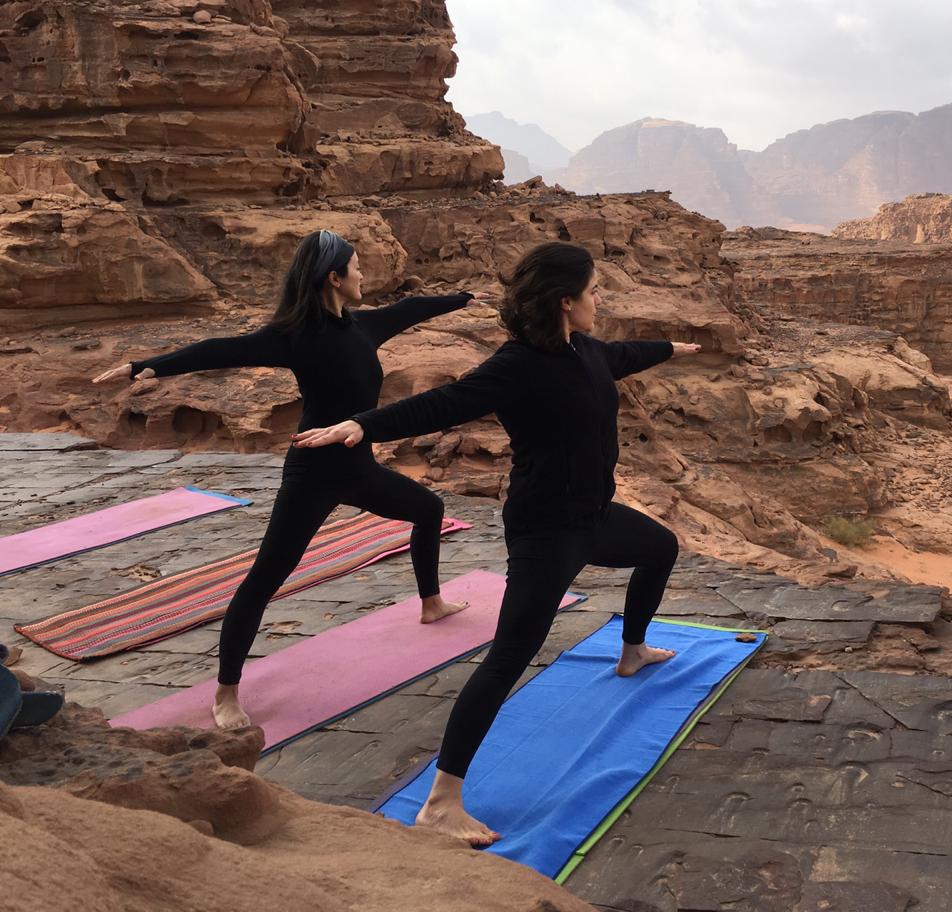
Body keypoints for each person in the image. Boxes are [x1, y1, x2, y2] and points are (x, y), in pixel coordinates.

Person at [294, 242, 700, 845]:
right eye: (592, 291)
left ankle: (632, 650)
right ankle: (441, 801)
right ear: (566, 301)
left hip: (592, 515)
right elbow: (444, 403)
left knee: (659, 547)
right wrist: (365, 424)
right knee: (509, 656)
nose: (599, 300)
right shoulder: (518, 366)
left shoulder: (583, 349)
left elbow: (621, 355)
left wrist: (673, 348)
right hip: (546, 532)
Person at [94, 230, 478, 729]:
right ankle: (226, 693)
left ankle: (431, 604)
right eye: (356, 268)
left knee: (428, 510)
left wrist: (466, 297)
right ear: (334, 278)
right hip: (313, 474)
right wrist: (147, 366)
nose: (364, 276)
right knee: (265, 580)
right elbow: (217, 349)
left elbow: (416, 307)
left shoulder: (365, 327)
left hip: (358, 468)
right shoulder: (294, 336)